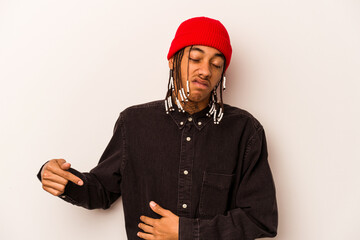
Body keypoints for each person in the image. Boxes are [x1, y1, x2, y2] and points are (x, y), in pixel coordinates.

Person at [37, 16, 278, 240]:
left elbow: (261, 218)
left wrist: (186, 231)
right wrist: (61, 179)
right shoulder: (133, 123)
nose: (205, 71)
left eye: (216, 64)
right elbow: (100, 191)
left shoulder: (244, 131)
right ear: (173, 60)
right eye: (195, 58)